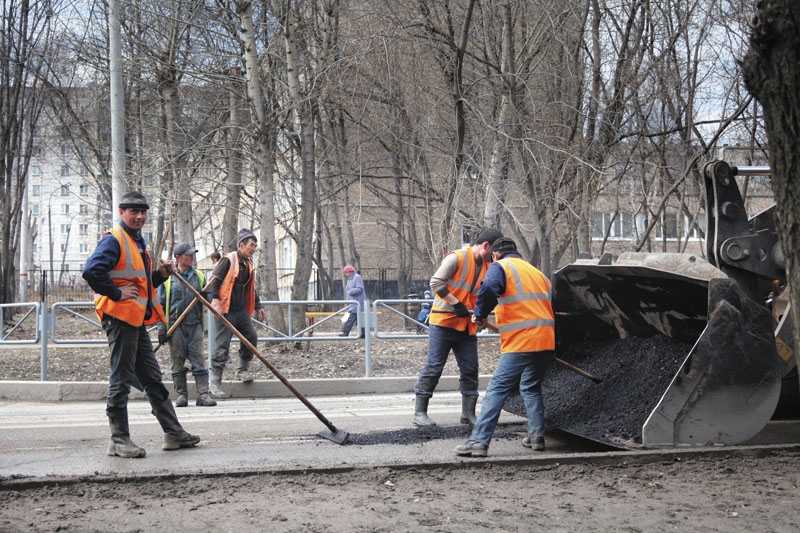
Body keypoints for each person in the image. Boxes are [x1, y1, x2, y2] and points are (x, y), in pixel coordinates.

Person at [82, 191, 201, 458]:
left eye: (143, 212)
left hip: (134, 322)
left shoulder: (138, 244)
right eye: (133, 212)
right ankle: (119, 440)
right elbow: (92, 271)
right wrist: (115, 293)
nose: (139, 216)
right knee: (121, 380)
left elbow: (141, 283)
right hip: (120, 320)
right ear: (122, 213)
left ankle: (173, 433)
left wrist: (160, 274)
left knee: (152, 379)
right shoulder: (115, 240)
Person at [454, 237, 556, 457]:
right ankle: (537, 436)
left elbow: (490, 287)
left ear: (496, 254)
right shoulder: (537, 273)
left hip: (522, 341)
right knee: (530, 387)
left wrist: (480, 314)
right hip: (546, 339)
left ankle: (479, 442)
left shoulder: (501, 267)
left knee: (496, 390)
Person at [412, 227, 503, 427]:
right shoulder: (457, 258)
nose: (495, 256)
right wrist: (456, 304)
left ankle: (468, 413)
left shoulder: (489, 266)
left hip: (467, 326)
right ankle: (419, 412)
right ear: (486, 246)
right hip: (443, 323)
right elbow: (436, 283)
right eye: (493, 251)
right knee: (434, 366)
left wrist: (481, 315)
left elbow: (482, 295)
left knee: (470, 369)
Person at [206, 228, 266, 398]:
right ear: (242, 245)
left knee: (251, 338)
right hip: (225, 311)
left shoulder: (248, 263)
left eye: (255, 245)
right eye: (252, 245)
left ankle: (242, 369)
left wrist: (258, 306)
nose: (254, 248)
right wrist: (215, 301)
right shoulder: (228, 260)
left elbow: (251, 289)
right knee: (221, 346)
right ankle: (215, 382)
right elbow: (214, 282)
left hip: (240, 311)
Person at [157, 242, 217, 408]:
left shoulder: (198, 276)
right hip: (175, 327)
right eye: (188, 254)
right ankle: (181, 395)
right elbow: (160, 305)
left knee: (198, 360)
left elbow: (209, 299)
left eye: (192, 254)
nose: (191, 257)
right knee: (177, 362)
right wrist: (162, 328)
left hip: (195, 325)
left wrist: (207, 295)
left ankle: (203, 395)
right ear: (178, 258)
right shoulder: (168, 279)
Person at [339, 265, 366, 338]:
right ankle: (363, 333)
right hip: (353, 302)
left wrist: (350, 292)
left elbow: (360, 288)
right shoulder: (350, 279)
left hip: (357, 302)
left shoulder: (357, 277)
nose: (346, 274)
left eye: (346, 273)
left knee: (352, 318)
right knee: (359, 318)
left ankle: (345, 332)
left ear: (350, 272)